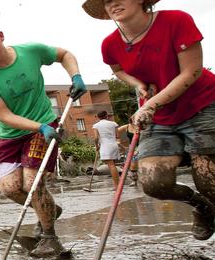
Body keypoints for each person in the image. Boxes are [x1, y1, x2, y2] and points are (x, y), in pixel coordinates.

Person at [83, 0, 215, 240]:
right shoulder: (110, 44)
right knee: (154, 183)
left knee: (209, 180)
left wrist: (152, 104)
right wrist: (138, 84)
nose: (113, 3)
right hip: (160, 117)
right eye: (107, 0)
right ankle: (202, 206)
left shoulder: (176, 20)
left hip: (201, 105)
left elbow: (192, 71)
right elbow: (118, 70)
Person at [0, 25, 86, 257]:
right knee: (10, 189)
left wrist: (76, 76)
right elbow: (5, 116)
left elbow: (64, 55)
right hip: (9, 134)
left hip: (43, 125)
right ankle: (51, 210)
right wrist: (38, 127)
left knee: (33, 185)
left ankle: (50, 239)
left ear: (0, 37)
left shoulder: (31, 51)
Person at [93, 110, 121, 188]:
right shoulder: (113, 124)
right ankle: (118, 184)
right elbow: (118, 136)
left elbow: (96, 138)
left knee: (111, 165)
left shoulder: (96, 125)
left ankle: (117, 186)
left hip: (105, 146)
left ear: (98, 117)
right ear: (107, 116)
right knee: (113, 165)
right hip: (114, 145)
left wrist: (97, 146)